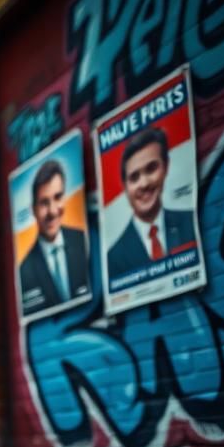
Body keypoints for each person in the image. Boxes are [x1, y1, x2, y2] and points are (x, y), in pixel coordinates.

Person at [105, 127, 198, 286]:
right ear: (125, 187)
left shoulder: (191, 222)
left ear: (165, 167)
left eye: (151, 168)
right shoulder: (114, 257)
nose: (144, 183)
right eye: (134, 178)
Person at [18, 160, 90, 317]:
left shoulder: (82, 241)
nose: (52, 211)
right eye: (44, 203)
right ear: (33, 210)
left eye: (57, 197)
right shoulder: (24, 270)